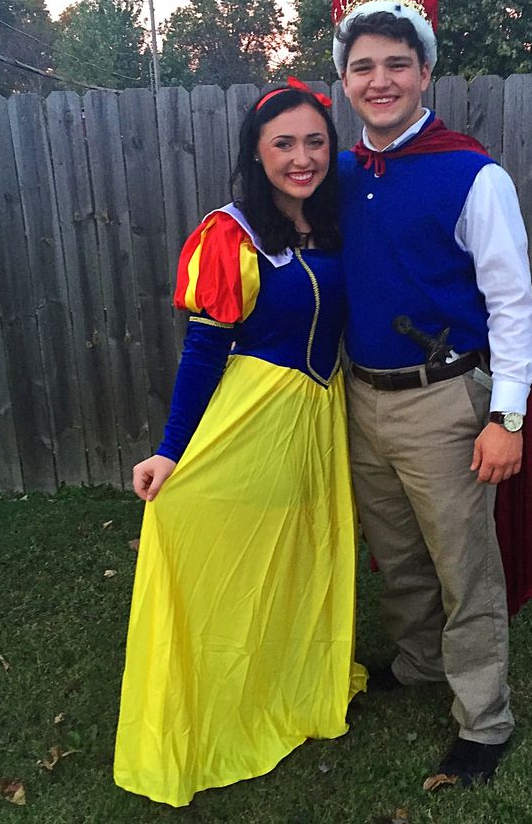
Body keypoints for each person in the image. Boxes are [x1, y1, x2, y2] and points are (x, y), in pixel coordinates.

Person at [113, 80, 366, 807]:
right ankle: (222, 706)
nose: (302, 156)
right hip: (254, 422)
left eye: (315, 140)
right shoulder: (231, 233)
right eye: (283, 142)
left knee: (298, 557)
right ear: (256, 153)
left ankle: (292, 681)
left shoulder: (335, 221)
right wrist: (169, 450)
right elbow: (202, 353)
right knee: (240, 565)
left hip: (318, 419)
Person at [331, 0, 532, 790]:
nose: (379, 81)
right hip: (360, 395)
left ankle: (484, 716)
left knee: (463, 563)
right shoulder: (338, 173)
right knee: (398, 553)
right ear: (344, 78)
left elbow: (515, 304)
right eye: (363, 66)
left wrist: (508, 417)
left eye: (396, 63)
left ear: (424, 71)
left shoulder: (473, 173)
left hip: (445, 400)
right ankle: (419, 663)